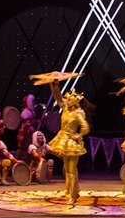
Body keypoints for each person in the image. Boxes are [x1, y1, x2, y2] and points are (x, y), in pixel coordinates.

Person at [32, 72, 89, 204]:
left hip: (72, 143)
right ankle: (71, 190)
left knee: (72, 170)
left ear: (75, 101)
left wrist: (77, 135)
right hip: (63, 140)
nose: (66, 100)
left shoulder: (78, 113)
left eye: (69, 99)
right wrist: (54, 84)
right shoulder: (66, 109)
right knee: (67, 169)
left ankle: (73, 195)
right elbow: (57, 97)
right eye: (67, 99)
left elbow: (85, 127)